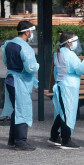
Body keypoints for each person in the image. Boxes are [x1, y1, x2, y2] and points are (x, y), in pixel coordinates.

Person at [48, 32, 84, 149]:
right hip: (69, 87)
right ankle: (66, 140)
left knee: (62, 111)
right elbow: (80, 69)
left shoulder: (58, 53)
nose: (76, 44)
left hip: (61, 85)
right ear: (68, 42)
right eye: (74, 40)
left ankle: (54, 136)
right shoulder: (70, 55)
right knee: (68, 113)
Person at [1, 21, 39, 151]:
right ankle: (21, 141)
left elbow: (5, 61)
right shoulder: (26, 48)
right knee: (23, 110)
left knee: (15, 110)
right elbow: (30, 68)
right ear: (27, 32)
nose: (32, 34)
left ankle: (13, 139)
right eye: (31, 32)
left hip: (11, 80)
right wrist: (37, 66)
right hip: (20, 83)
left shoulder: (8, 44)